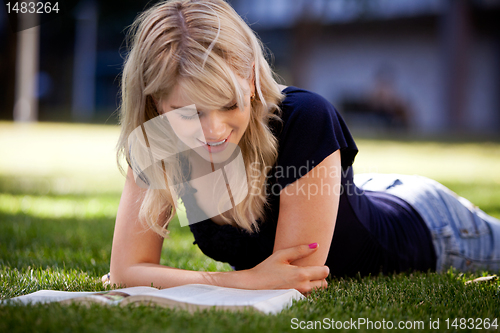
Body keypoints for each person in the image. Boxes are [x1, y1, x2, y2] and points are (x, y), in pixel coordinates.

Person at [108, 0, 500, 294]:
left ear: (250, 81)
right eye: (187, 112)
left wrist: (221, 281)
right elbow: (127, 272)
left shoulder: (304, 117)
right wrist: (248, 280)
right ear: (156, 102)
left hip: (434, 226)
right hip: (352, 192)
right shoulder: (159, 136)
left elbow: (293, 280)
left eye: (229, 104)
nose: (213, 130)